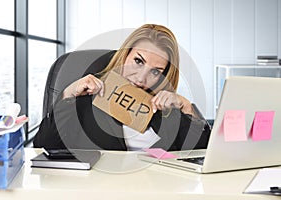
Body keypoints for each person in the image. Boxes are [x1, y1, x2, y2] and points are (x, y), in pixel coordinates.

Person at [33, 24, 211, 151]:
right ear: (125, 55)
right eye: (138, 61)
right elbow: (43, 145)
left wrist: (185, 105)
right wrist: (69, 93)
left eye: (155, 72)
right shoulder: (88, 95)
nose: (141, 78)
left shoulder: (165, 109)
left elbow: (204, 149)